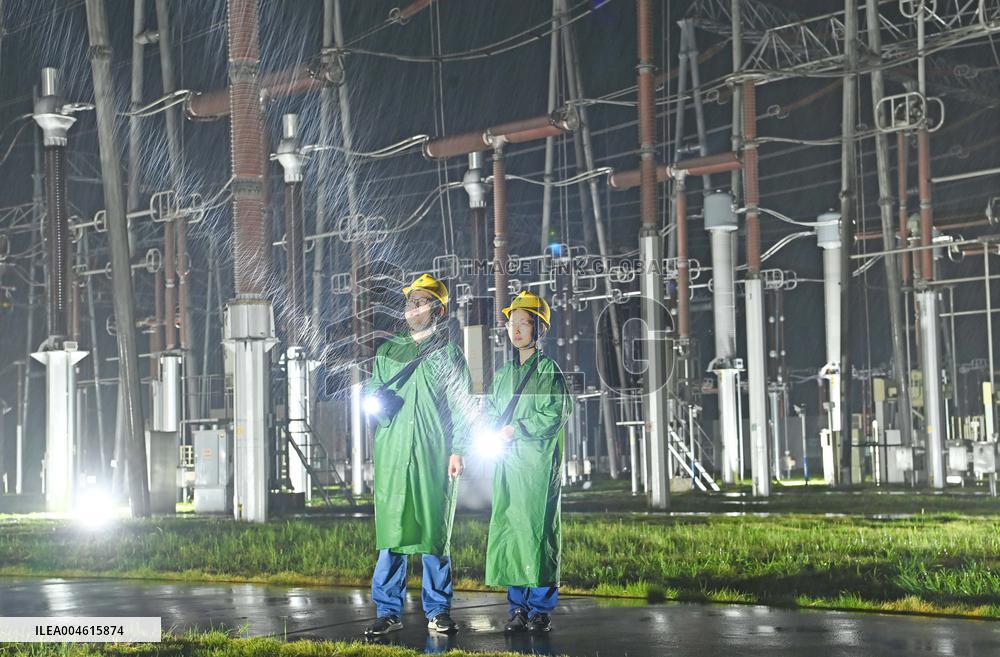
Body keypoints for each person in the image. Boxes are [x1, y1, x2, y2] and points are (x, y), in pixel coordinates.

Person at [363, 273, 472, 636]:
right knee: (393, 533)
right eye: (410, 301)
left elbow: (461, 406)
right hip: (394, 453)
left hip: (432, 453)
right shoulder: (388, 352)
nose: (413, 307)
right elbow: (373, 398)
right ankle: (387, 610)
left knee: (433, 533)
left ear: (438, 310)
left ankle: (438, 610)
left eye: (421, 301)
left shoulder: (448, 354)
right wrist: (379, 406)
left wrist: (458, 450)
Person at [483, 290, 573, 633]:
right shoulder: (504, 374)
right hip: (507, 465)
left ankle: (539, 609)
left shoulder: (549, 371)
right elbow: (491, 412)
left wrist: (515, 429)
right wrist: (494, 430)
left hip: (536, 467)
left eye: (524, 323)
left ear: (539, 330)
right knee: (511, 532)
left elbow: (555, 414)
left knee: (538, 532)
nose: (516, 329)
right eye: (511, 323)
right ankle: (516, 608)